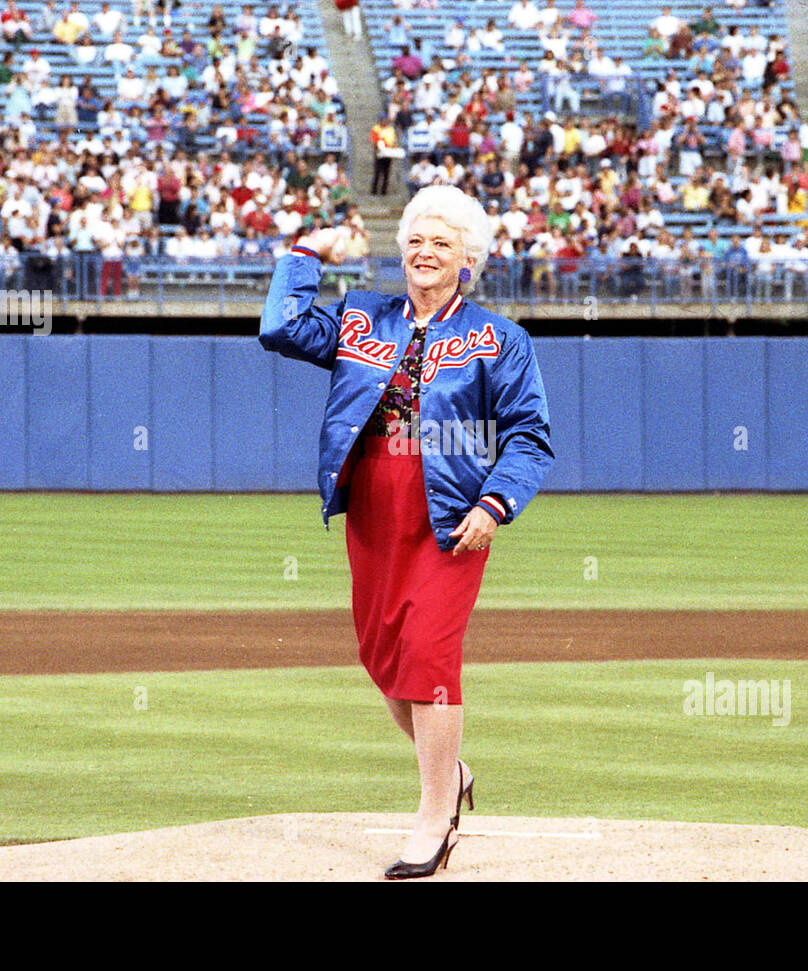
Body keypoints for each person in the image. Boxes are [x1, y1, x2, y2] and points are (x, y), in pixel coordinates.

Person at [259, 185, 554, 879]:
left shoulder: (498, 338)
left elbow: (529, 436)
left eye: (441, 243)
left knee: (426, 656)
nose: (424, 252)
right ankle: (451, 771)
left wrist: (495, 504)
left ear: (468, 261)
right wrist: (309, 252)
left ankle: (434, 819)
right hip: (371, 506)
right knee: (384, 658)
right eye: (416, 240)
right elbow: (279, 327)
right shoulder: (362, 316)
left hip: (450, 516)